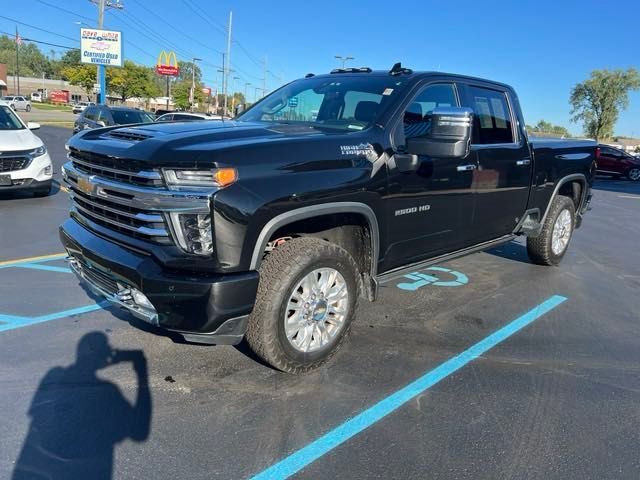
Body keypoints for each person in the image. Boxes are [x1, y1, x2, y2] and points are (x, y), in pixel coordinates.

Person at [12, 332, 151, 480]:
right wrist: (141, 373)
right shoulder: (109, 391)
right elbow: (139, 433)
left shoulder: (56, 375)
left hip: (46, 464)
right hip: (92, 466)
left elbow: (37, 415)